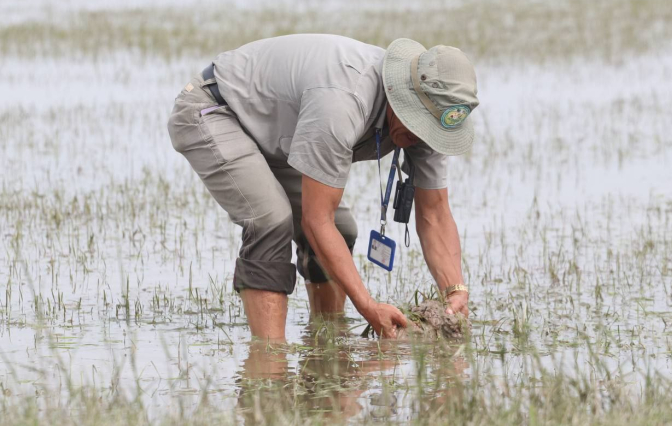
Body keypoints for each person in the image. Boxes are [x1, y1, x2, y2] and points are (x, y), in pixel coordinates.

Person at [167, 34, 478, 341]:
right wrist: (368, 307)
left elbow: (435, 213)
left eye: (433, 131)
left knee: (341, 229)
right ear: (403, 98)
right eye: (420, 126)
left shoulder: (435, 118)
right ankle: (269, 358)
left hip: (281, 134)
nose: (424, 139)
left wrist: (455, 289)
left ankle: (327, 341)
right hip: (216, 109)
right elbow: (316, 221)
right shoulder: (343, 101)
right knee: (270, 221)